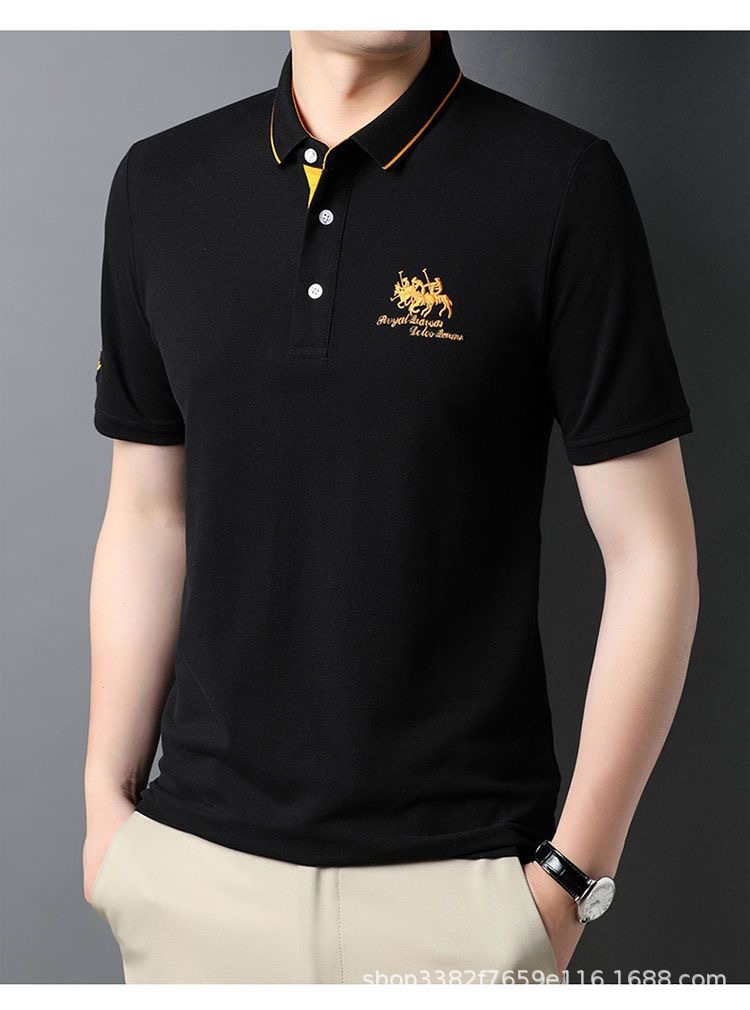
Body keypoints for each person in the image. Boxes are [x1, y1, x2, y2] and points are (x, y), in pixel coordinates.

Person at [82, 29, 699, 984]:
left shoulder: (561, 184)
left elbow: (653, 555)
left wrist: (571, 881)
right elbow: (147, 516)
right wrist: (105, 812)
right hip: (195, 881)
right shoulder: (160, 185)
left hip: (463, 895)